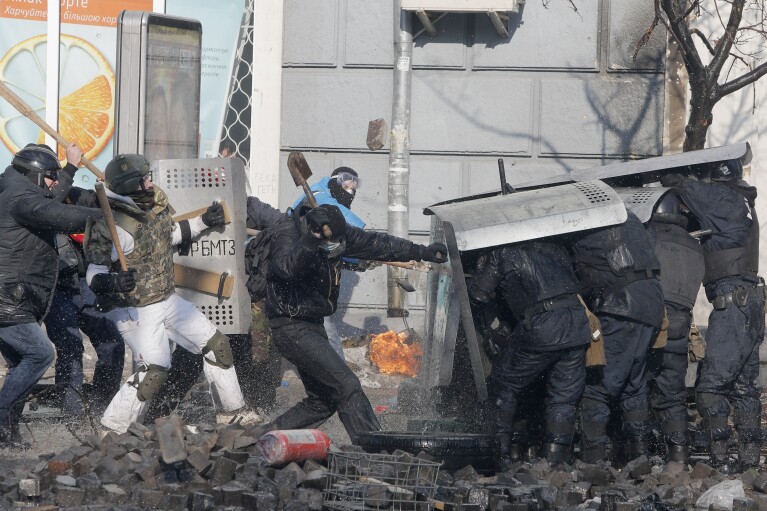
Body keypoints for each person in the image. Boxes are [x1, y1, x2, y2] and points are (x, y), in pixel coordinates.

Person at [84, 153, 258, 433]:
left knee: (216, 345)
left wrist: (203, 221)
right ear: (131, 185)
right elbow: (93, 272)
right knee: (155, 371)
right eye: (145, 179)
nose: (151, 182)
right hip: (134, 309)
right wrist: (113, 282)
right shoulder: (110, 224)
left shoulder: (153, 203)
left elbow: (170, 235)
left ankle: (232, 413)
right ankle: (112, 428)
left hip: (167, 298)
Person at [250, 203, 447, 443]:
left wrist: (421, 251)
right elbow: (286, 268)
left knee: (323, 401)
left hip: (313, 323)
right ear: (314, 231)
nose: (338, 247)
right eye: (331, 242)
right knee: (347, 385)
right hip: (289, 325)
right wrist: (311, 242)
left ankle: (260, 438)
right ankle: (374, 448)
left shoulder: (338, 236)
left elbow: (379, 245)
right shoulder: (288, 233)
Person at [143, 195, 287, 422]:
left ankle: (257, 411)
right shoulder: (183, 210)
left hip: (241, 300)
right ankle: (155, 417)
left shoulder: (250, 207)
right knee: (189, 359)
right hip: (198, 297)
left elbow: (283, 223)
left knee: (246, 356)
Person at [664, 160, 764, 472]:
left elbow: (681, 183)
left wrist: (670, 173)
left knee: (709, 389)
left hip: (732, 303)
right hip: (751, 302)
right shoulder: (744, 200)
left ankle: (719, 462)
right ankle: (748, 462)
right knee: (745, 388)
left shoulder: (723, 198)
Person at [0, 143, 102, 448]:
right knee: (41, 353)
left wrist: (70, 168)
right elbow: (53, 210)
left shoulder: (17, 190)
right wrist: (102, 215)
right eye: (49, 177)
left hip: (15, 296)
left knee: (22, 364)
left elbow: (48, 201)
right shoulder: (18, 199)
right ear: (33, 174)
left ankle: (7, 434)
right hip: (7, 298)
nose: (54, 183)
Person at [469, 240, 592, 468]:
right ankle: (554, 463)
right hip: (576, 322)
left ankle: (499, 456)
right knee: (563, 399)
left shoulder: (501, 250)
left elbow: (478, 294)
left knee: (503, 384)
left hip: (543, 323)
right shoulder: (556, 246)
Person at [571, 211, 665, 463]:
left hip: (622, 306)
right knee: (633, 385)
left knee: (598, 387)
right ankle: (639, 456)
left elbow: (577, 274)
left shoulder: (584, 221)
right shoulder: (630, 218)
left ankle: (594, 460)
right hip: (652, 303)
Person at [644, 191, 705, 464]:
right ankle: (678, 457)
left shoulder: (649, 234)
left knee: (636, 387)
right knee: (673, 394)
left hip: (652, 323)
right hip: (680, 327)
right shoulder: (694, 244)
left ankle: (640, 453)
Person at [292, 167, 364, 360]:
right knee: (324, 324)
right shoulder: (319, 194)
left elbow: (332, 245)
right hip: (294, 266)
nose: (350, 191)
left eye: (354, 188)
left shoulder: (328, 203)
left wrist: (359, 260)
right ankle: (340, 375)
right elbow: (349, 225)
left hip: (306, 269)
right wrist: (366, 242)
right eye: (347, 184)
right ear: (335, 180)